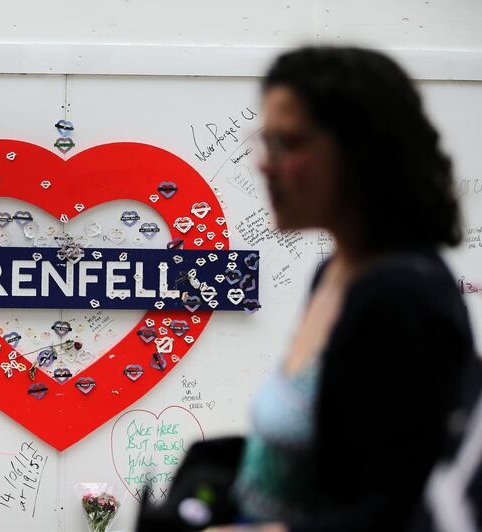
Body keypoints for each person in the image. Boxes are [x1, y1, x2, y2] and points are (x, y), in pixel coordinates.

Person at [201, 46, 476, 532]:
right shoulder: (333, 271)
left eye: (290, 142)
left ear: (360, 152)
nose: (266, 164)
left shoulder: (401, 299)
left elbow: (402, 506)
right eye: (265, 142)